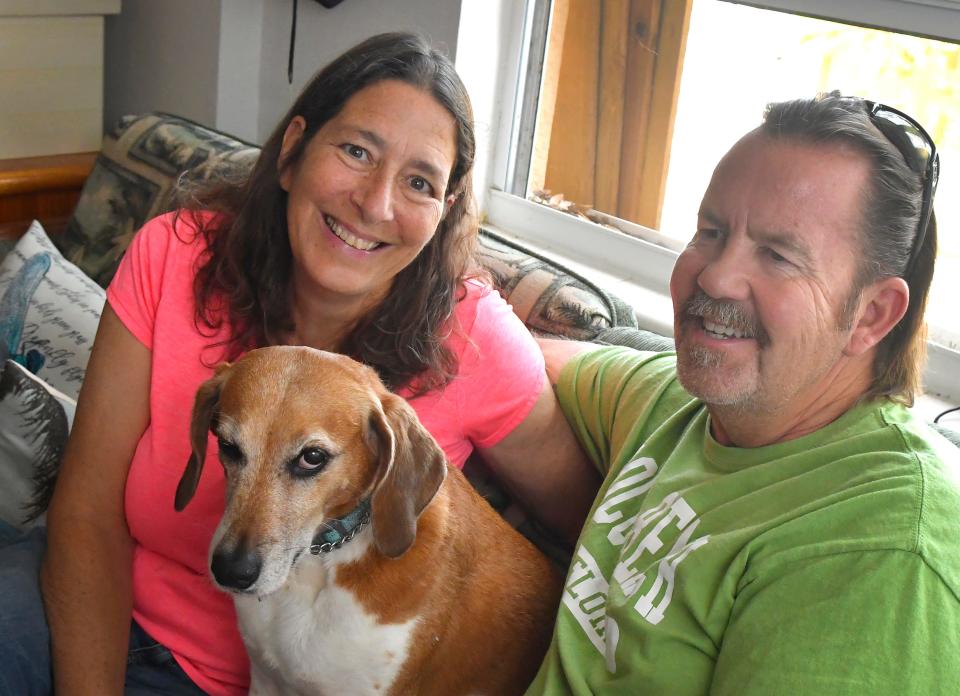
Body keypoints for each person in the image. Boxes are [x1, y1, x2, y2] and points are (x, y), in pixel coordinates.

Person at [0, 32, 598, 695]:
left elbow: (606, 534)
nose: (375, 203)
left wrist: (596, 368)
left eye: (420, 182)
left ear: (445, 210)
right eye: (356, 151)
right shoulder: (175, 255)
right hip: (84, 607)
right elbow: (86, 516)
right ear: (291, 152)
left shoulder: (477, 340)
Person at [529, 92, 960, 694]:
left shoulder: (878, 549)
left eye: (779, 256)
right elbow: (534, 362)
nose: (714, 277)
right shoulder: (687, 404)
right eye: (711, 231)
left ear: (871, 314)